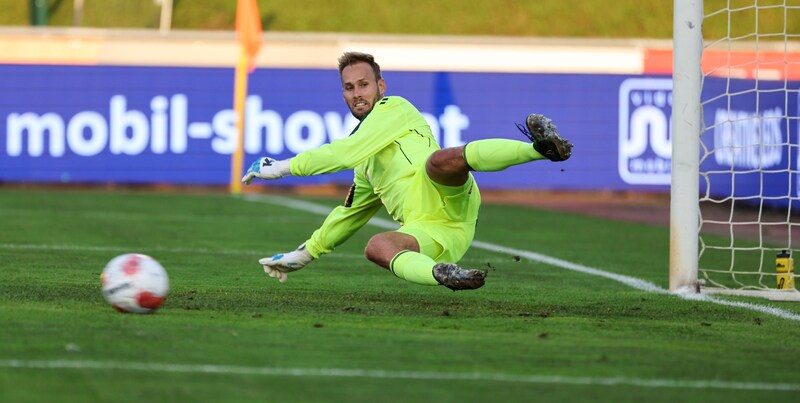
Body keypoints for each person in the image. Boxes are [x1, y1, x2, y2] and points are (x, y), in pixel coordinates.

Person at [242, 51, 572, 291]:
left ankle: (539, 150)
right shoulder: (365, 163)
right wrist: (305, 253)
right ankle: (443, 274)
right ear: (343, 93)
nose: (357, 94)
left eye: (363, 85)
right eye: (349, 88)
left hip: (447, 196)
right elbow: (349, 214)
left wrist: (284, 167)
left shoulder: (395, 108)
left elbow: (343, 152)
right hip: (431, 235)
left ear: (380, 86)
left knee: (439, 162)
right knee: (376, 247)